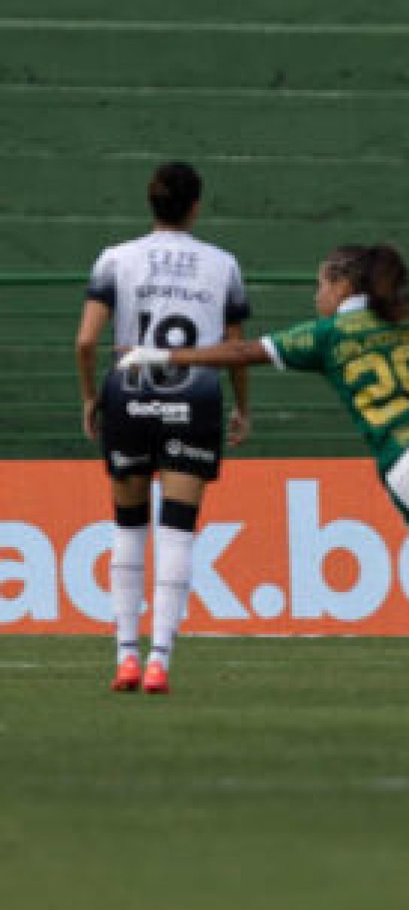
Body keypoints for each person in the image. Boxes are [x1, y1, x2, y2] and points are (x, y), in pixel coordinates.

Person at [119, 178, 409, 706]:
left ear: (342, 286)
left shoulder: (324, 337)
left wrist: (163, 357)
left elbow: (241, 353)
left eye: (320, 284)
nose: (316, 295)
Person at [75, 161, 253, 696]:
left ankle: (125, 656)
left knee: (128, 527)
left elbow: (85, 342)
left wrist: (91, 398)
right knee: (177, 528)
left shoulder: (116, 259)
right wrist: (242, 406)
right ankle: (159, 661)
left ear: (151, 204)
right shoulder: (222, 265)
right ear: (195, 206)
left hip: (127, 398)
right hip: (193, 401)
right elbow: (237, 347)